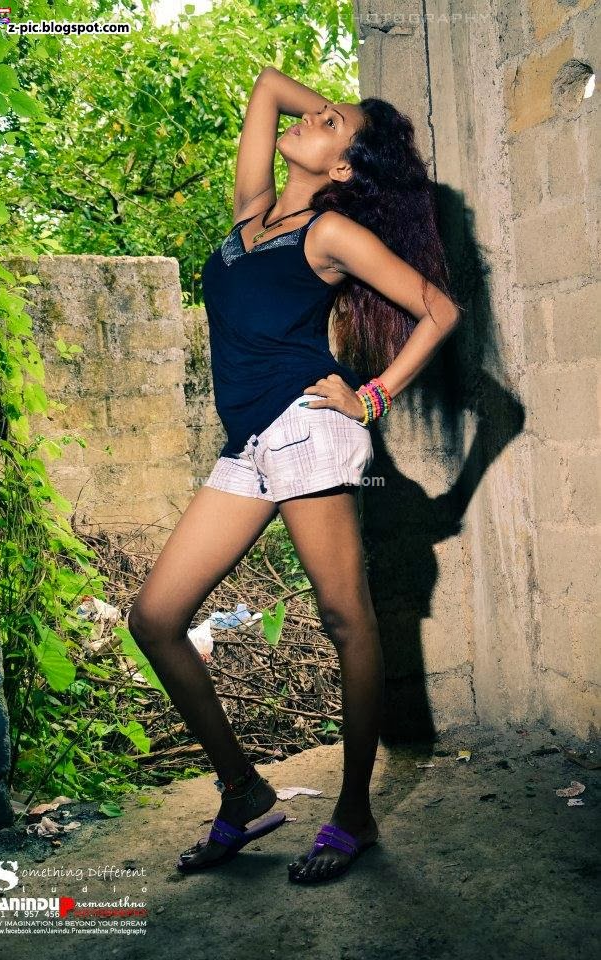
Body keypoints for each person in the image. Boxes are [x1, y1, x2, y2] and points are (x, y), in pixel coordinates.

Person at [127, 66, 462, 885]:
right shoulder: (252, 211)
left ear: (342, 168)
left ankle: (354, 814)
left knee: (346, 620)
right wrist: (340, 118)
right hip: (248, 442)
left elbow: (440, 310)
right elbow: (269, 85)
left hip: (306, 428)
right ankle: (244, 793)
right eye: (321, 111)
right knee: (155, 618)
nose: (311, 115)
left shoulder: (330, 232)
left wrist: (373, 395)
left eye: (330, 123)